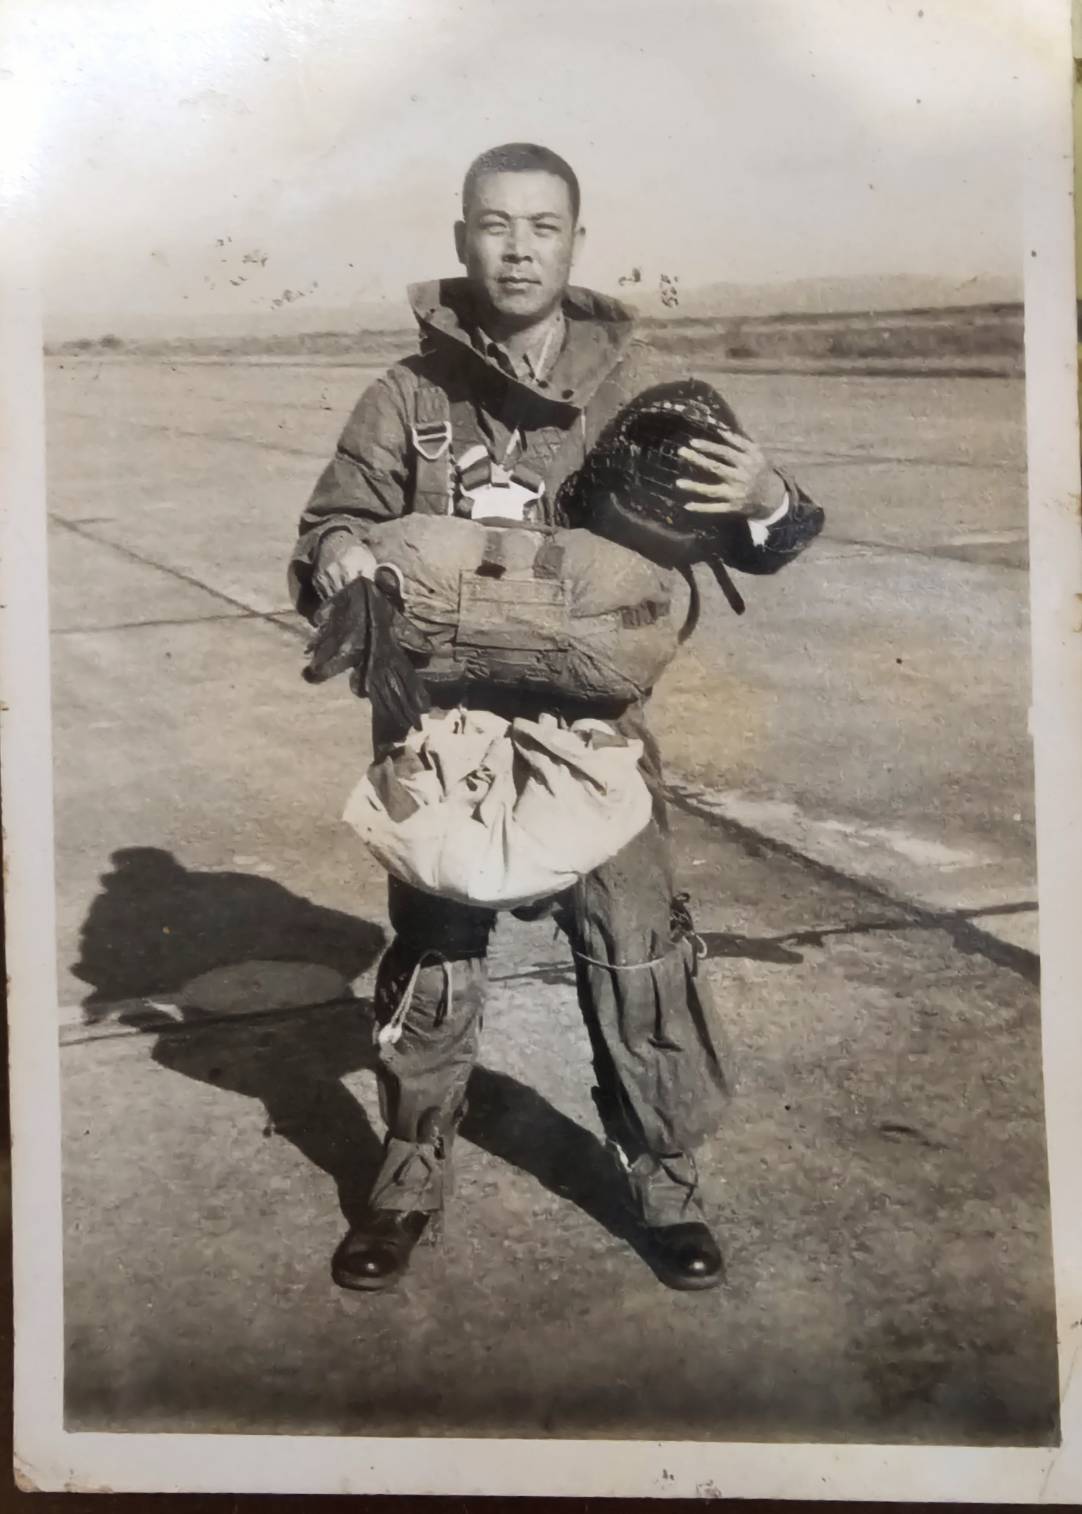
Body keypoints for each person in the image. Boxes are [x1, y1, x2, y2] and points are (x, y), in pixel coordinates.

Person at [289, 142, 822, 1293]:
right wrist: (335, 556)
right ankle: (407, 1174)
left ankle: (663, 1177)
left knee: (637, 950)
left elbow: (769, 542)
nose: (518, 248)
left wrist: (764, 497)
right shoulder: (407, 396)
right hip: (443, 733)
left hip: (595, 738)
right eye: (495, 225)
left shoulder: (640, 390)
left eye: (542, 226)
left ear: (575, 241)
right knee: (434, 955)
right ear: (461, 240)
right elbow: (331, 522)